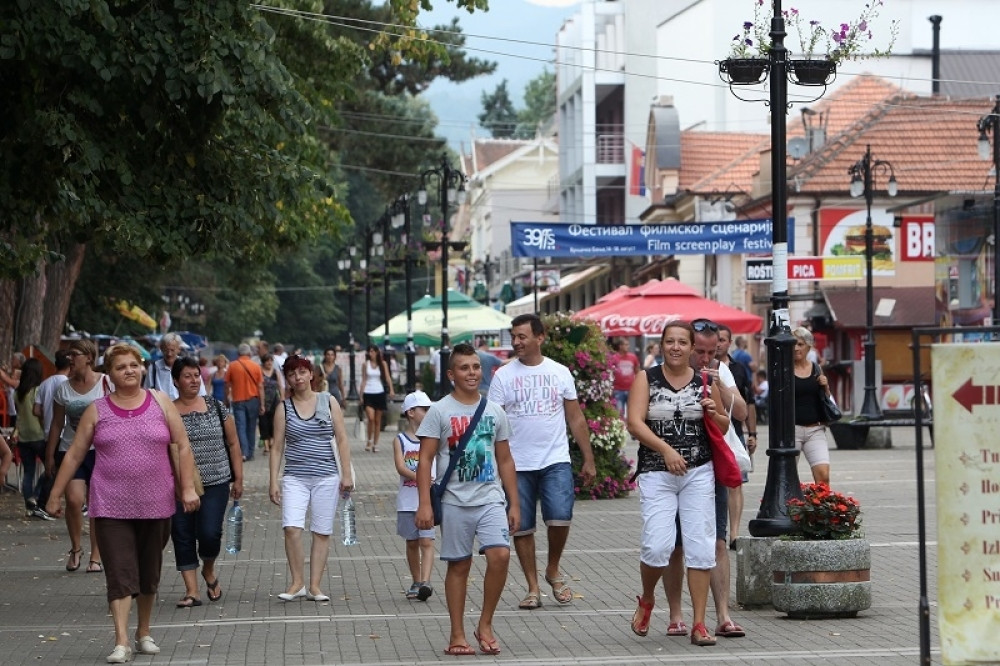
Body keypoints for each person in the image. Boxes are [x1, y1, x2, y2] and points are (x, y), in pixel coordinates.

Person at [45, 343, 200, 664]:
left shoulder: (159, 401)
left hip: (156, 503)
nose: (128, 371)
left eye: (133, 365)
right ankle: (121, 641)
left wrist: (187, 488)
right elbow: (74, 454)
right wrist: (55, 493)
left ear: (141, 368)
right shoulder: (97, 409)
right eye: (120, 367)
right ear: (109, 374)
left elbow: (182, 445)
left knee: (148, 571)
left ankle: (144, 632)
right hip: (110, 505)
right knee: (119, 571)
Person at [625, 321, 729, 647]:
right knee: (657, 546)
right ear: (661, 345)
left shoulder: (704, 381)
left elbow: (724, 426)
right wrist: (666, 450)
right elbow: (634, 423)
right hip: (657, 473)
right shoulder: (646, 378)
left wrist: (713, 414)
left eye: (682, 342)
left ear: (692, 347)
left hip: (698, 472)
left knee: (700, 548)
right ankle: (647, 598)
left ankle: (699, 623)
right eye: (670, 341)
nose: (675, 347)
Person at [415, 343, 520, 656]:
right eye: (464, 368)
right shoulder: (439, 411)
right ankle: (457, 635)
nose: (472, 373)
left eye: (475, 367)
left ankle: (485, 624)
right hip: (453, 501)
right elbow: (425, 460)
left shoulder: (494, 410)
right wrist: (424, 503)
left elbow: (505, 460)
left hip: (490, 498)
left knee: (500, 555)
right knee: (459, 565)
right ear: (451, 374)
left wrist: (514, 503)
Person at [488, 313, 596, 611]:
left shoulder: (560, 372)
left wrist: (588, 459)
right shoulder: (503, 376)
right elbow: (492, 423)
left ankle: (552, 568)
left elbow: (575, 417)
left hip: (555, 459)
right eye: (514, 336)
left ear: (540, 337)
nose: (517, 342)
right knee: (522, 526)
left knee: (560, 516)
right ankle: (533, 587)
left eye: (522, 336)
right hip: (516, 463)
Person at [662, 319, 748, 642]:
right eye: (701, 351)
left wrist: (718, 386)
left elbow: (738, 415)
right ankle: (676, 614)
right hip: (675, 469)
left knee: (717, 542)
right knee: (675, 545)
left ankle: (723, 615)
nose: (706, 358)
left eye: (713, 352)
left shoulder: (717, 372)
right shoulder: (663, 375)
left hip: (710, 467)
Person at [268, 354, 353, 603]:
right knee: (291, 528)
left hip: (327, 475)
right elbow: (277, 448)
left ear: (311, 374)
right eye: (292, 374)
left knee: (321, 531)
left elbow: (342, 438)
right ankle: (297, 582)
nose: (298, 378)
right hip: (295, 476)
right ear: (288, 379)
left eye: (302, 372)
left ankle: (315, 586)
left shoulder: (328, 401)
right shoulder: (284, 408)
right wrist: (273, 480)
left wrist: (346, 474)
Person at [171, 357, 244, 608]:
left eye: (196, 375)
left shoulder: (215, 406)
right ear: (176, 381)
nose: (193, 380)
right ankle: (192, 591)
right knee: (182, 534)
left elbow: (233, 443)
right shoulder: (168, 412)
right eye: (187, 376)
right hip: (179, 484)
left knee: (209, 533)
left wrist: (239, 478)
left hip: (216, 481)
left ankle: (208, 569)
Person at [44, 339, 108, 573]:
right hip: (71, 449)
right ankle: (75, 548)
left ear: (89, 357)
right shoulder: (63, 388)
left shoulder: (105, 383)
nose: (70, 358)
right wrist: (49, 455)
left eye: (75, 354)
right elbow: (56, 424)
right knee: (73, 499)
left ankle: (96, 555)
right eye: (69, 354)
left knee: (97, 504)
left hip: (101, 450)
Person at [715, 325, 758, 549]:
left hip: (734, 432)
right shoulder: (698, 368)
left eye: (722, 340)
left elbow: (748, 403)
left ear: (729, 343)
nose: (718, 344)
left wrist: (753, 433)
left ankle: (734, 533)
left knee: (735, 483)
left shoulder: (738, 369)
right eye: (716, 339)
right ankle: (719, 530)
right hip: (715, 432)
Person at [394, 390, 436, 601]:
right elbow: (401, 467)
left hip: (427, 501)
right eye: (424, 409)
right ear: (411, 412)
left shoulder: (433, 438)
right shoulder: (400, 440)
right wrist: (421, 477)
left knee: (427, 541)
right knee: (412, 542)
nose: (428, 413)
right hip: (407, 501)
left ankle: (425, 582)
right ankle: (416, 580)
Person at [32, 349, 71, 516]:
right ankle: (43, 503)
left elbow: (36, 410)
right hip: (64, 433)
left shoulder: (45, 383)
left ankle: (45, 502)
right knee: (58, 472)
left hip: (48, 432)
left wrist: (46, 419)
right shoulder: (68, 384)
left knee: (52, 469)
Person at [793, 326, 832, 484]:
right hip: (792, 430)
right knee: (788, 476)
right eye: (793, 344)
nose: (796, 348)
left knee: (823, 475)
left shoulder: (816, 368)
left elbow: (826, 398)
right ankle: (793, 501)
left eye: (800, 344)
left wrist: (825, 385)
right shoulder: (784, 370)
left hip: (815, 429)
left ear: (809, 347)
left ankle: (821, 500)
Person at [14, 358, 50, 518]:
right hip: (39, 434)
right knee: (51, 467)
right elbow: (41, 411)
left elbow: (18, 414)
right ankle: (36, 495)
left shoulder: (17, 393)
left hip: (23, 436)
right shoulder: (38, 390)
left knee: (28, 471)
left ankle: (29, 502)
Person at [226, 343, 265, 462]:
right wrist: (262, 404)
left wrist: (226, 398)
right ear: (249, 353)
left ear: (238, 353)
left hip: (238, 400)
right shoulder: (256, 366)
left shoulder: (232, 366)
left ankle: (244, 452)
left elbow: (227, 384)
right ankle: (251, 453)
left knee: (241, 427)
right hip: (253, 400)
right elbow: (260, 387)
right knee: (251, 427)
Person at [145, 333, 205, 399]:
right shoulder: (153, 368)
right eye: (166, 350)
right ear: (161, 349)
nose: (169, 354)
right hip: (160, 405)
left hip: (183, 405)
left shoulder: (188, 366)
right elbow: (147, 393)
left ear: (179, 349)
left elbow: (201, 393)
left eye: (172, 350)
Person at [359, 345, 393, 453]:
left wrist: (391, 390)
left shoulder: (383, 364)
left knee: (378, 420)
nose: (371, 354)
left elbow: (387, 377)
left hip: (379, 392)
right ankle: (369, 440)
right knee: (371, 418)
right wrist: (361, 395)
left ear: (377, 352)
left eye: (373, 351)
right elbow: (364, 379)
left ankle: (376, 443)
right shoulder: (366, 364)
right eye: (369, 352)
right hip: (368, 392)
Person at [258, 354, 284, 457]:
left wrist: (282, 397)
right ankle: (266, 446)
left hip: (274, 400)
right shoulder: (259, 372)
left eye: (271, 361)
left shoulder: (276, 372)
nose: (269, 363)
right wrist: (261, 403)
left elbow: (280, 386)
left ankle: (272, 442)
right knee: (263, 423)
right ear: (263, 362)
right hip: (262, 400)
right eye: (267, 361)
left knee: (273, 422)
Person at [610, 338, 641, 415]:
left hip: (631, 390)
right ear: (620, 346)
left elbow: (638, 372)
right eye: (626, 345)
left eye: (628, 344)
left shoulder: (633, 357)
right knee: (619, 413)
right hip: (618, 390)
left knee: (633, 413)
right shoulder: (614, 358)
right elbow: (610, 373)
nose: (628, 346)